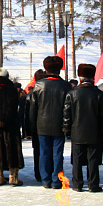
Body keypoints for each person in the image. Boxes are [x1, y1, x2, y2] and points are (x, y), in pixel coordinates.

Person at [29, 57, 71, 189]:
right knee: (58, 153)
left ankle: (46, 179)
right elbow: (68, 108)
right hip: (59, 124)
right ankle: (57, 180)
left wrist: (32, 124)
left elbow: (33, 107)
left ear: (46, 69)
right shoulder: (66, 85)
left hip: (42, 123)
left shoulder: (39, 85)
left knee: (44, 152)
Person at [63, 64, 103, 192]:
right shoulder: (98, 94)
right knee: (93, 159)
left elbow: (67, 114)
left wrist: (66, 129)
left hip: (77, 131)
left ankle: (77, 184)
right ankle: (93, 185)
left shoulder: (72, 93)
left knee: (77, 159)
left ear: (79, 78)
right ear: (92, 77)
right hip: (94, 132)